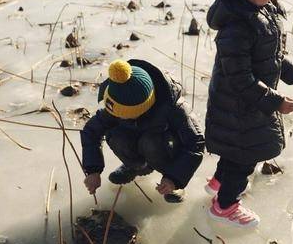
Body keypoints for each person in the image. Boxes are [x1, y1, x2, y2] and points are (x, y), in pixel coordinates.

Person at [204, 0, 293, 227]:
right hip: (239, 105)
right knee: (245, 157)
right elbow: (240, 78)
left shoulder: (265, 12)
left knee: (234, 150)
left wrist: (291, 73)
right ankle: (224, 205)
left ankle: (217, 182)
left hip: (245, 104)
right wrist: (275, 101)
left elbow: (270, 56)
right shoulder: (238, 25)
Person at [81, 59, 205, 203]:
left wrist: (174, 178)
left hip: (164, 146)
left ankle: (173, 183)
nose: (117, 116)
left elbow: (196, 143)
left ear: (143, 107)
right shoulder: (116, 102)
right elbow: (91, 131)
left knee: (150, 143)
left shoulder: (174, 108)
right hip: (135, 138)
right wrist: (93, 170)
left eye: (124, 114)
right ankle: (135, 167)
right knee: (116, 137)